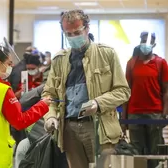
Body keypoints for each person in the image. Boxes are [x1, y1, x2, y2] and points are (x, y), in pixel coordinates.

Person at [42, 9, 130, 168]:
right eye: (68, 34)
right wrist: (50, 116)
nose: (73, 37)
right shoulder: (59, 60)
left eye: (77, 32)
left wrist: (98, 102)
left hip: (99, 127)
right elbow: (49, 94)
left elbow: (123, 91)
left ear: (87, 28)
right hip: (69, 129)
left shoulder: (106, 54)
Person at [122, 32, 168, 168]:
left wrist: (164, 114)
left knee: (155, 151)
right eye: (143, 41)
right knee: (137, 152)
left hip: (155, 113)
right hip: (134, 114)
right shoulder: (131, 64)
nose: (146, 45)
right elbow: (126, 92)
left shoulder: (161, 63)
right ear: (139, 42)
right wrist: (124, 120)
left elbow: (166, 91)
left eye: (149, 42)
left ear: (154, 44)